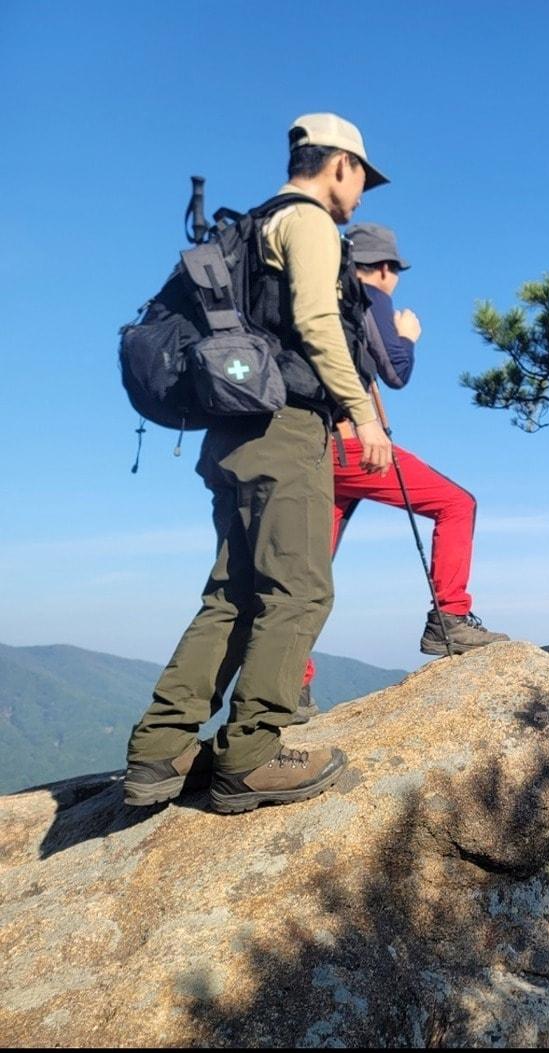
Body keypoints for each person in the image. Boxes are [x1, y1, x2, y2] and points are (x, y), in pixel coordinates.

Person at [123, 114, 392, 814]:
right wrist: (361, 415)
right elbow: (315, 321)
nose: (362, 193)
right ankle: (248, 756)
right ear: (340, 165)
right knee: (300, 590)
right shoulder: (306, 223)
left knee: (235, 592)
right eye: (363, 176)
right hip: (283, 427)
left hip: (231, 430)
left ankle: (160, 747)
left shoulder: (248, 229)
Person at [295, 224, 506, 722]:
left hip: (311, 452)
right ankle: (450, 617)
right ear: (385, 268)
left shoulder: (316, 298)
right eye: (393, 272)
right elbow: (396, 369)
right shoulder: (368, 296)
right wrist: (407, 336)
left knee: (306, 569)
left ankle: (290, 684)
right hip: (354, 449)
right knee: (457, 504)